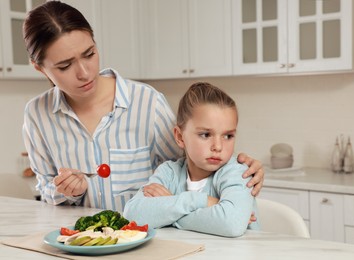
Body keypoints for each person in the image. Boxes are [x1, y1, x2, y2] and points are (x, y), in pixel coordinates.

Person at [22, 1, 264, 212]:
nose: (85, 72)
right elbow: (46, 190)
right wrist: (66, 191)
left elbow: (193, 166)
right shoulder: (37, 115)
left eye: (89, 54)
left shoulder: (147, 103)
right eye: (64, 66)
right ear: (39, 67)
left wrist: (238, 172)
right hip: (82, 244)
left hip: (150, 241)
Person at [124, 82, 259, 237]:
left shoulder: (237, 171)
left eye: (228, 136)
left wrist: (171, 209)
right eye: (206, 135)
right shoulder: (168, 172)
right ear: (180, 137)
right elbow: (133, 215)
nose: (218, 146)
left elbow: (232, 224)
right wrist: (204, 201)